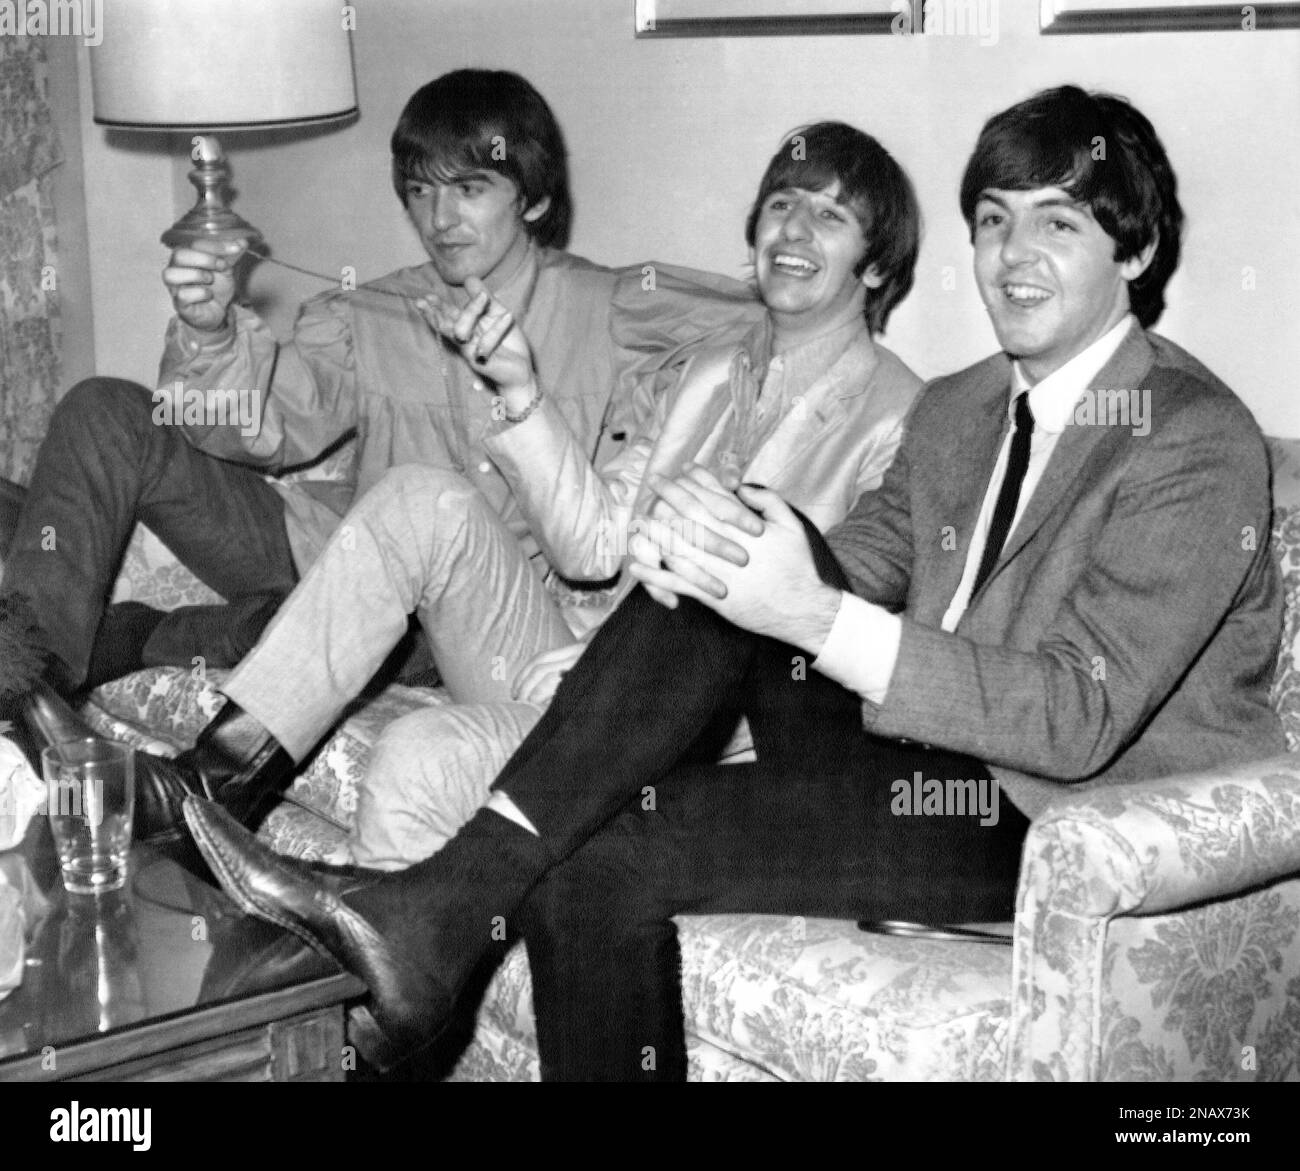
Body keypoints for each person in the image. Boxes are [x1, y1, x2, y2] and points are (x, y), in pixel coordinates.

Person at [184, 84, 1285, 1082]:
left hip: (1051, 821)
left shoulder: (1190, 442)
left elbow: (1074, 712)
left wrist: (806, 608)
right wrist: (728, 553)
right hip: (910, 757)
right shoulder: (959, 409)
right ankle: (429, 920)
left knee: (610, 824)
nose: (1013, 255)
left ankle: (426, 916)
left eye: (1059, 222)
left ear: (1133, 255)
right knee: (715, 580)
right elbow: (856, 558)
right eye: (994, 220)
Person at [1, 69, 759, 832]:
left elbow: (776, 330)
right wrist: (208, 331)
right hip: (329, 554)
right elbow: (262, 427)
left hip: (449, 625)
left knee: (358, 570)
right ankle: (17, 707)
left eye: (470, 188)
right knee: (105, 407)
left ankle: (149, 636)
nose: (440, 218)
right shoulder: (374, 311)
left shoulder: (615, 307)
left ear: (533, 197)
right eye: (421, 192)